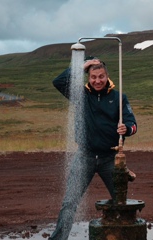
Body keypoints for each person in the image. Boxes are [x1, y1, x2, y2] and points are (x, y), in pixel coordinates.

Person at [49, 57, 137, 240]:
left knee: (120, 203)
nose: (97, 81)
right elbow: (59, 82)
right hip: (84, 156)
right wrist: (82, 67)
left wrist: (126, 129)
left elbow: (132, 123)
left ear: (107, 76)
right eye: (93, 76)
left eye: (101, 76)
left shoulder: (119, 97)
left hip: (110, 158)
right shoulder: (81, 95)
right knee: (69, 203)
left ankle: (122, 236)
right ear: (88, 77)